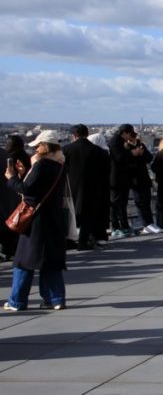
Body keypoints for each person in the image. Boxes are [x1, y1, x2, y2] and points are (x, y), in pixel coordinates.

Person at [4, 131, 68, 311]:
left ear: (45, 147)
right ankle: (55, 298)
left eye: (38, 146)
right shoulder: (60, 165)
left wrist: (12, 178)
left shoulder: (41, 165)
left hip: (36, 221)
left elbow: (26, 190)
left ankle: (17, 300)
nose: (35, 149)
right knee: (50, 261)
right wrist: (26, 174)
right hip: (53, 219)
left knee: (23, 261)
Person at [58, 124, 108, 250]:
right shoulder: (99, 151)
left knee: (70, 215)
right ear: (87, 134)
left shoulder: (66, 150)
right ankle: (84, 241)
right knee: (89, 216)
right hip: (93, 188)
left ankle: (69, 240)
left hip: (71, 188)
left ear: (74, 135)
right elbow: (105, 171)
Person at [108, 124, 158, 236]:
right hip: (122, 178)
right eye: (130, 135)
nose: (130, 138)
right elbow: (120, 157)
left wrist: (138, 152)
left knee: (122, 203)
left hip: (125, 178)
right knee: (118, 203)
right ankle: (117, 227)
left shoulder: (119, 141)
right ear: (125, 133)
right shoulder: (117, 142)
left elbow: (149, 158)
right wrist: (133, 153)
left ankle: (124, 226)